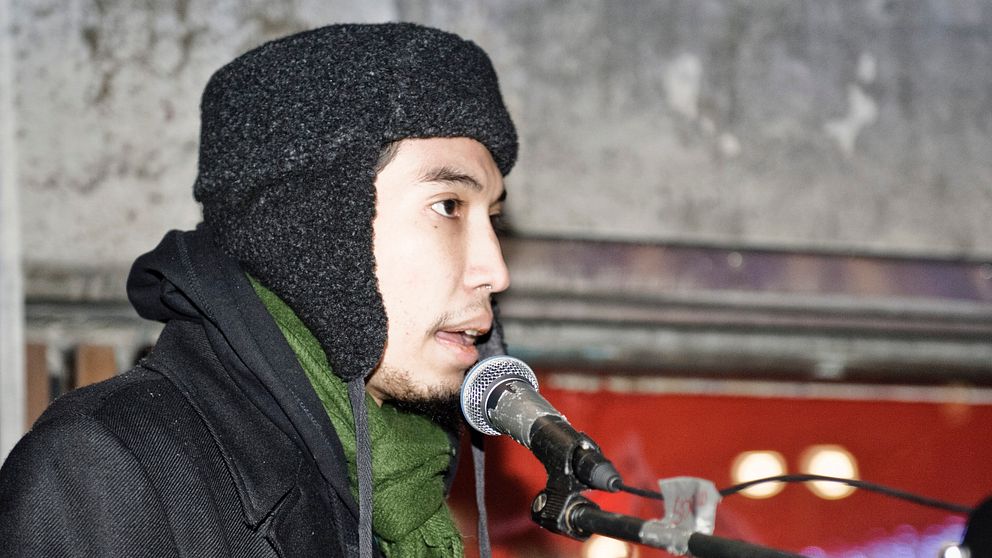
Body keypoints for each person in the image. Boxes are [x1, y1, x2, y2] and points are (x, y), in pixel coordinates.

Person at [0, 22, 517, 558]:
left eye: (495, 221)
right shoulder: (109, 467)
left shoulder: (401, 482)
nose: (496, 272)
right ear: (311, 229)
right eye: (449, 206)